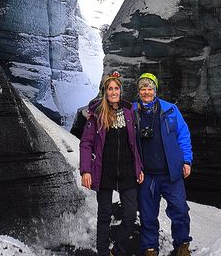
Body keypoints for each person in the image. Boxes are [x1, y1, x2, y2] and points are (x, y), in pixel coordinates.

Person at [80, 71, 144, 256]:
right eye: (110, 89)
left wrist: (138, 167)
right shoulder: (97, 114)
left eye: (116, 88)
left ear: (120, 91)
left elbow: (134, 144)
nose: (114, 92)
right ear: (105, 92)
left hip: (127, 172)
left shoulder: (129, 112)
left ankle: (117, 250)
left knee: (131, 215)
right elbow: (86, 143)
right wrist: (86, 170)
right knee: (104, 216)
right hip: (104, 172)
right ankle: (102, 252)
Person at [133, 72, 192, 256]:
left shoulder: (171, 110)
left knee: (180, 210)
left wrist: (187, 160)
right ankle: (150, 249)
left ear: (155, 90)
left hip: (171, 173)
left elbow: (183, 136)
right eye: (143, 88)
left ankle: (182, 246)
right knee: (148, 215)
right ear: (138, 91)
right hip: (147, 175)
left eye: (150, 88)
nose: (146, 92)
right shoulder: (131, 112)